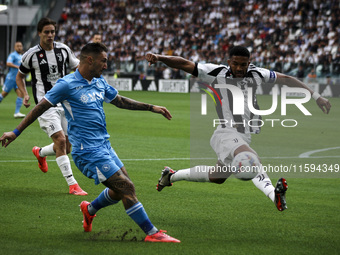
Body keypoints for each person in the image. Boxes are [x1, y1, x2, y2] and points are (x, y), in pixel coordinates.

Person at [1, 43, 180, 243]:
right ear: (90, 60)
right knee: (126, 188)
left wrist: (151, 107)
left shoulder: (98, 82)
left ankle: (90, 208)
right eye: (103, 61)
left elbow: (119, 100)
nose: (106, 65)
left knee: (121, 188)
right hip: (86, 152)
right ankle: (152, 233)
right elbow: (40, 108)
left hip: (105, 146)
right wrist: (16, 132)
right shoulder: (66, 84)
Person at [146, 46, 331, 212]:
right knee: (250, 159)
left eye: (244, 64)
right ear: (229, 62)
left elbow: (287, 79)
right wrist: (160, 57)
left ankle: (170, 176)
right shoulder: (216, 72)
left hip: (244, 135)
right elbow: (185, 64)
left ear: (249, 63)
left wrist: (316, 96)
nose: (240, 68)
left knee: (218, 176)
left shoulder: (258, 74)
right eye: (236, 64)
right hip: (225, 132)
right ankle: (274, 195)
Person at [16, 17, 87, 195]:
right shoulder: (30, 55)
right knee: (60, 141)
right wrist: (25, 94)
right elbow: (20, 76)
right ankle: (73, 185)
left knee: (67, 147)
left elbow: (78, 67)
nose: (50, 35)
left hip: (66, 103)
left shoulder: (63, 50)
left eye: (52, 32)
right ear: (39, 33)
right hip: (45, 104)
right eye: (46, 32)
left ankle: (40, 152)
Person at [0, 42, 26, 118]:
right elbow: (8, 63)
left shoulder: (21, 56)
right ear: (15, 47)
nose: (19, 47)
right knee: (4, 94)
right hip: (11, 78)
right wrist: (18, 67)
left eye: (20, 46)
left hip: (18, 79)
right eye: (17, 46)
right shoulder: (13, 55)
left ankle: (17, 112)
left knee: (20, 93)